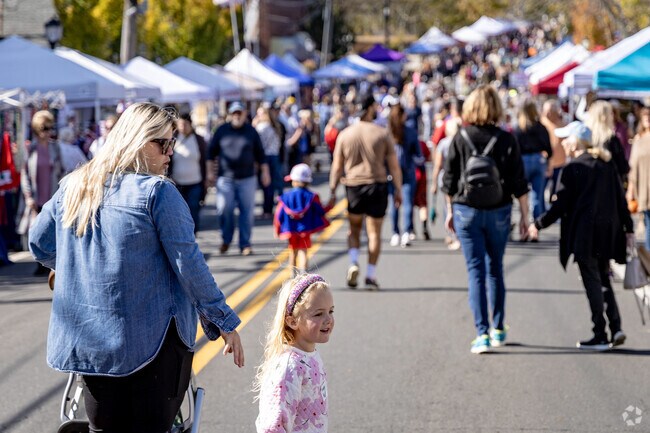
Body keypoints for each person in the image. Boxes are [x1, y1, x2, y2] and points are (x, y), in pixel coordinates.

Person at [28, 102, 244, 432]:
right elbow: (189, 265)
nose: (171, 151)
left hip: (91, 345)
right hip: (153, 345)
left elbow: (38, 243)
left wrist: (76, 266)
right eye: (164, 143)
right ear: (139, 140)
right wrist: (223, 320)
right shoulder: (156, 193)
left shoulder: (74, 186)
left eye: (173, 142)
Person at [529, 121, 633, 350]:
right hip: (607, 232)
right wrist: (629, 229)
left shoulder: (573, 168)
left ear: (576, 142)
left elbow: (560, 206)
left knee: (592, 282)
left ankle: (600, 334)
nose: (563, 143)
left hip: (585, 234)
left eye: (567, 138)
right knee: (603, 278)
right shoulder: (606, 165)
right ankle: (615, 327)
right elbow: (620, 200)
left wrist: (538, 224)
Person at [441, 85, 530, 354]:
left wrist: (449, 212)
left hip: (466, 209)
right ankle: (499, 327)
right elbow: (519, 181)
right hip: (499, 209)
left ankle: (481, 334)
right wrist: (525, 216)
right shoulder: (506, 139)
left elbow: (449, 180)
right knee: (496, 269)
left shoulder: (460, 137)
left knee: (475, 271)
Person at [329, 95, 403, 289]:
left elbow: (337, 167)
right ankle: (370, 274)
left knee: (353, 229)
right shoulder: (381, 133)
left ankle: (353, 261)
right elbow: (394, 167)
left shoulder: (345, 134)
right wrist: (398, 189)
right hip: (377, 184)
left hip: (354, 185)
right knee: (374, 233)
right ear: (370, 109)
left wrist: (332, 190)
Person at [254, 273, 334, 433]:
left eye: (331, 311)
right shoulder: (290, 367)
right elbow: (272, 426)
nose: (328, 319)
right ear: (292, 321)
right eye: (318, 314)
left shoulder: (309, 355)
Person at [207, 101, 271, 256]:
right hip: (225, 178)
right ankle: (226, 239)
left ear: (244, 114)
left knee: (246, 212)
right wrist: (209, 173)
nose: (237, 115)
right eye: (234, 113)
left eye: (239, 113)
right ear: (230, 114)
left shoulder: (251, 131)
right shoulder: (222, 130)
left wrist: (265, 172)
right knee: (224, 209)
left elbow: (261, 155)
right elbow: (210, 153)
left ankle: (245, 243)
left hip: (247, 178)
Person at [19, 110, 64, 275]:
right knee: (36, 228)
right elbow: (24, 174)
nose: (48, 132)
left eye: (50, 128)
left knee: (52, 228)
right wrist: (28, 196)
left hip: (52, 194)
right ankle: (39, 262)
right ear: (37, 129)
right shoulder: (31, 149)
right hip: (36, 196)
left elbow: (62, 170)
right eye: (45, 128)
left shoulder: (55, 148)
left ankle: (50, 265)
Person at [274, 164, 331, 275]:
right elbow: (321, 211)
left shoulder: (285, 197)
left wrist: (278, 229)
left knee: (292, 251)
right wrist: (330, 206)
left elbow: (278, 214)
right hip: (305, 230)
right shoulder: (311, 196)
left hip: (291, 229)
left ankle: (292, 275)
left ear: (294, 181)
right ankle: (304, 274)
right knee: (303, 252)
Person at [387, 103, 423, 248]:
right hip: (407, 171)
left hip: (391, 173)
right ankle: (406, 232)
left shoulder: (387, 133)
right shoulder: (410, 132)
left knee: (394, 204)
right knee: (407, 202)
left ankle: (395, 232)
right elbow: (419, 156)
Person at [514, 99, 552, 221]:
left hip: (523, 161)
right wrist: (548, 163)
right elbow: (549, 148)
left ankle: (524, 221)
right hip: (538, 160)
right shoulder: (540, 127)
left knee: (522, 194)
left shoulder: (518, 129)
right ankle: (536, 225)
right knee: (537, 195)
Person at [168, 112, 207, 232]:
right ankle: (183, 233)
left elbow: (205, 159)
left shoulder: (198, 140)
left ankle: (192, 233)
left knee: (193, 208)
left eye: (185, 124)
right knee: (180, 211)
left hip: (195, 182)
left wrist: (207, 178)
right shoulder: (173, 139)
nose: (182, 127)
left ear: (190, 125)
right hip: (177, 182)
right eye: (180, 124)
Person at [585, 100, 629, 181]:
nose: (612, 116)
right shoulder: (611, 139)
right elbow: (622, 166)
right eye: (611, 113)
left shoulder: (585, 138)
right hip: (608, 185)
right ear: (604, 117)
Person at [254, 107, 283, 219]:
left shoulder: (262, 127)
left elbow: (258, 144)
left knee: (266, 184)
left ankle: (267, 209)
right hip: (274, 155)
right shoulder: (275, 126)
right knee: (273, 183)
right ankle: (271, 208)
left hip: (266, 157)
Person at [627, 106, 650, 250]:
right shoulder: (638, 139)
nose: (648, 119)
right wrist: (630, 189)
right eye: (645, 117)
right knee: (647, 221)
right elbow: (633, 166)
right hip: (642, 188)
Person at [540, 99, 566, 199]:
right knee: (541, 191)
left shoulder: (562, 123)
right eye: (546, 111)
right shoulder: (541, 123)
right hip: (546, 163)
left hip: (559, 164)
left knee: (557, 192)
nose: (548, 114)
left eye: (550, 111)